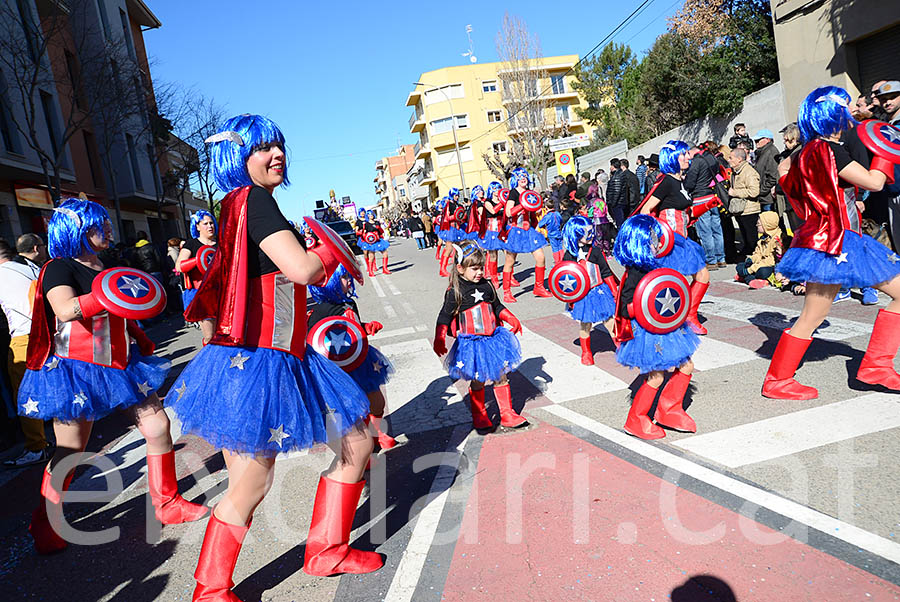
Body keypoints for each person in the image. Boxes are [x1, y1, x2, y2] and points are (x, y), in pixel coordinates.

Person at [173, 114, 383, 597]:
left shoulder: (235, 205)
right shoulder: (255, 201)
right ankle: (211, 589)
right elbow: (302, 269)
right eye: (263, 147)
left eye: (279, 145)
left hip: (270, 356)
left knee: (353, 444)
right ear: (238, 157)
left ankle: (325, 551)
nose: (277, 154)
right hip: (266, 359)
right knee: (253, 485)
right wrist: (334, 252)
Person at [18, 198, 208, 555]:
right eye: (97, 225)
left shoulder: (103, 263)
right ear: (76, 231)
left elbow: (120, 310)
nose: (107, 229)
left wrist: (137, 333)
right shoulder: (58, 267)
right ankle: (45, 521)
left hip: (122, 363)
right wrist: (107, 293)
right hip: (77, 369)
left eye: (105, 223)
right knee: (71, 452)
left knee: (158, 427)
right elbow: (65, 310)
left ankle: (166, 503)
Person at [761, 86, 900, 400]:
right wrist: (886, 150)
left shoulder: (809, 151)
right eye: (846, 106)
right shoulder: (829, 150)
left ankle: (877, 366)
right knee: (812, 317)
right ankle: (778, 380)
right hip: (837, 241)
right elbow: (875, 182)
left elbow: (789, 183)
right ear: (833, 113)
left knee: (813, 316)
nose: (852, 112)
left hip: (835, 240)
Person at [613, 215, 700, 439]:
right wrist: (644, 306)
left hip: (667, 327)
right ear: (640, 241)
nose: (657, 242)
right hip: (647, 331)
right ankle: (636, 419)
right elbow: (624, 307)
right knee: (656, 377)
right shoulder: (635, 272)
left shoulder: (653, 265)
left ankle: (669, 410)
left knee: (687, 366)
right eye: (653, 239)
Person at [433, 241, 526, 432]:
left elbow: (496, 306)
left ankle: (507, 413)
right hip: (473, 343)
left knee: (501, 376)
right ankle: (479, 414)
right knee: (478, 379)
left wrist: (510, 317)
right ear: (460, 268)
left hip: (493, 339)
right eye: (474, 268)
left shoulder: (487, 285)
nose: (479, 272)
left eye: (481, 267)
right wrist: (439, 337)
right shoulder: (455, 291)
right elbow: (444, 316)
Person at [308, 264, 395, 449]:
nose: (349, 280)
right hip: (338, 369)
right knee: (354, 411)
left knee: (377, 403)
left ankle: (376, 433)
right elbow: (313, 339)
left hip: (361, 361)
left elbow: (350, 328)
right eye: (344, 277)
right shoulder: (321, 310)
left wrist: (365, 327)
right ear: (329, 282)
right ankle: (361, 449)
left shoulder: (349, 303)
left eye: (349, 276)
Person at [636, 140, 717, 335]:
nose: (689, 157)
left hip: (683, 238)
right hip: (671, 241)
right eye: (684, 154)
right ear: (673, 157)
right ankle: (676, 319)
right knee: (673, 283)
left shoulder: (679, 181)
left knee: (700, 276)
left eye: (688, 154)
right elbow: (646, 210)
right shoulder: (666, 181)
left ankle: (687, 315)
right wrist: (658, 237)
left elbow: (682, 210)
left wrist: (705, 205)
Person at [0, 233, 51, 467]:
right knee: (51, 384)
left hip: (23, 337)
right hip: (48, 333)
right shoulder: (31, 268)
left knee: (24, 393)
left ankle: (36, 446)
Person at [561, 216, 617, 365]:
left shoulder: (596, 251)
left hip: (598, 290)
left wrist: (614, 292)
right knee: (585, 324)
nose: (591, 235)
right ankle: (586, 352)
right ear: (577, 233)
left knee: (610, 320)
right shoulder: (570, 255)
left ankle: (620, 347)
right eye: (587, 232)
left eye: (591, 231)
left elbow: (606, 272)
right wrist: (570, 299)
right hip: (581, 295)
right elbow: (564, 278)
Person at [502, 167, 553, 303]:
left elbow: (533, 212)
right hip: (515, 231)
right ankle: (506, 292)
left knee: (541, 257)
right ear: (516, 179)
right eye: (520, 176)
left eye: (525, 175)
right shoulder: (513, 193)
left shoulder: (530, 193)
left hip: (529, 230)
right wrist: (522, 205)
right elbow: (508, 213)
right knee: (510, 261)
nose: (523, 178)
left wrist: (537, 226)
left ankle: (539, 287)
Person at [177, 210, 217, 344]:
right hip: (203, 295)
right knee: (210, 336)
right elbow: (179, 266)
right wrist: (199, 260)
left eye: (211, 223)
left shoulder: (220, 243)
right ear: (197, 226)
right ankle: (210, 363)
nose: (210, 226)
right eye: (205, 223)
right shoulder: (191, 244)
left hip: (223, 291)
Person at [683, 144, 726, 269]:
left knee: (705, 231)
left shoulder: (696, 162)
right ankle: (721, 258)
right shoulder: (711, 158)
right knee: (717, 229)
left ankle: (711, 260)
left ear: (692, 151)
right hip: (712, 196)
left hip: (700, 199)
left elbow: (690, 183)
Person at [728, 147, 762, 257]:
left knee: (751, 237)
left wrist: (735, 192)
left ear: (739, 159)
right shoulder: (736, 172)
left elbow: (754, 191)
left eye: (731, 158)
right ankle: (747, 252)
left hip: (749, 210)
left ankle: (755, 257)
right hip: (741, 209)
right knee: (745, 236)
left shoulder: (749, 172)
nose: (728, 160)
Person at [734, 211, 783, 286]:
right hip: (760, 263)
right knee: (740, 266)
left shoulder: (777, 239)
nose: (756, 225)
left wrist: (751, 269)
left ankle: (748, 278)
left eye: (759, 224)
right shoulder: (762, 238)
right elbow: (758, 254)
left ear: (767, 225)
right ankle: (752, 279)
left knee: (762, 272)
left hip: (772, 266)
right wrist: (751, 259)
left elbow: (770, 261)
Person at [478, 181, 509, 289]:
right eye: (495, 189)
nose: (497, 191)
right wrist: (503, 203)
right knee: (493, 255)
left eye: (499, 188)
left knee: (509, 254)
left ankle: (509, 277)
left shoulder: (502, 200)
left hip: (502, 229)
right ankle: (494, 277)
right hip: (491, 230)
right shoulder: (487, 201)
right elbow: (493, 211)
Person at [753, 129, 780, 212]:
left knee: (772, 223)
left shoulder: (771, 152)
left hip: (768, 198)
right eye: (755, 140)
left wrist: (761, 191)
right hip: (764, 198)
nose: (756, 142)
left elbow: (772, 176)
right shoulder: (761, 153)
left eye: (758, 140)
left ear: (767, 140)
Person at [358, 209, 391, 276]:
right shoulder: (366, 224)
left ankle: (385, 268)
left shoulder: (377, 222)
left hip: (378, 240)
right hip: (370, 241)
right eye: (369, 215)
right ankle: (370, 271)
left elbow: (381, 231)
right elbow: (364, 233)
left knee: (385, 253)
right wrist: (367, 240)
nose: (371, 216)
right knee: (371, 256)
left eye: (371, 214)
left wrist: (379, 228)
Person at [537, 198, 564, 264]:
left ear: (546, 207)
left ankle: (557, 262)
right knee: (560, 247)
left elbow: (540, 224)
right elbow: (561, 221)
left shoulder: (547, 216)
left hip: (552, 234)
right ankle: (562, 261)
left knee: (555, 248)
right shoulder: (557, 213)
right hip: (559, 232)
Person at [606, 158, 626, 227]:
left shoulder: (617, 176)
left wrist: (613, 203)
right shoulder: (619, 174)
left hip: (618, 204)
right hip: (620, 202)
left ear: (613, 166)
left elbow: (617, 191)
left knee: (619, 222)